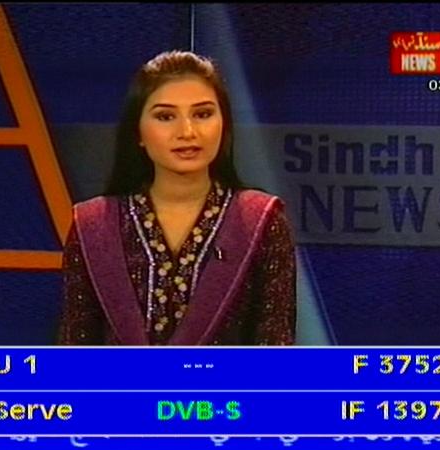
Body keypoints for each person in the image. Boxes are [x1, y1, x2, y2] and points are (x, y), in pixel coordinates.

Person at [57, 50, 296, 346]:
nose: (187, 132)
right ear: (138, 132)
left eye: (203, 114)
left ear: (225, 125)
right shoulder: (93, 228)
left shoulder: (262, 222)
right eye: (165, 116)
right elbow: (74, 356)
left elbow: (275, 354)